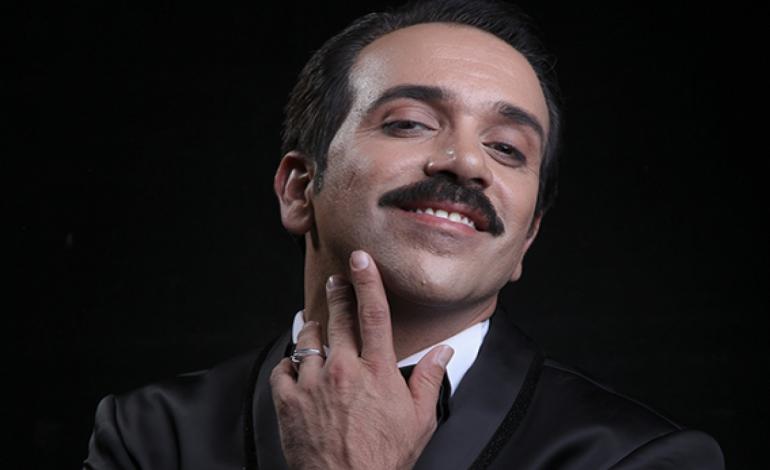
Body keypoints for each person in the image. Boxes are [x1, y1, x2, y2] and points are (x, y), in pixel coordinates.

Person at [84, 1, 724, 468]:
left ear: (527, 239)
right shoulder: (150, 434)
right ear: (299, 190)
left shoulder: (645, 458)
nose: (466, 162)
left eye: (506, 147)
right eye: (411, 123)